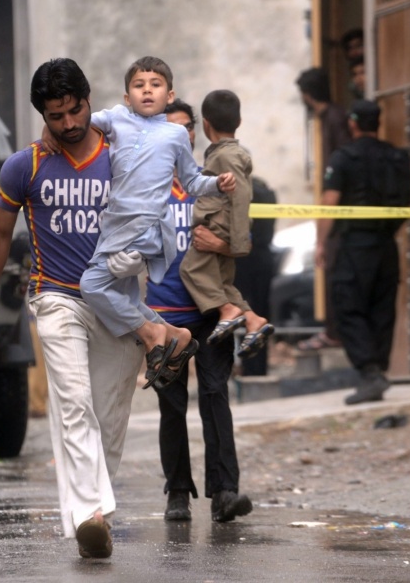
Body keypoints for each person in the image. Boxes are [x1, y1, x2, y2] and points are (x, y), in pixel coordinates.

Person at [0, 58, 145, 559]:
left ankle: (97, 516)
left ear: (90, 101)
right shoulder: (25, 165)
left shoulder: (123, 153)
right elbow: (1, 232)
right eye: (56, 115)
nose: (68, 124)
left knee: (109, 415)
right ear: (42, 115)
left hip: (119, 299)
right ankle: (88, 513)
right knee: (74, 404)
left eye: (75, 110)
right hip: (56, 296)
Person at [76, 56, 235, 387]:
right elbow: (79, 121)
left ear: (170, 95)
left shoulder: (176, 134)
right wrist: (51, 130)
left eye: (155, 85)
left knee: (91, 285)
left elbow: (192, 181)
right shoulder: (116, 118)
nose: (147, 90)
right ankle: (176, 335)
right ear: (126, 97)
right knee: (125, 296)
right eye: (138, 85)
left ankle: (151, 335)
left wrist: (217, 185)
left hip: (148, 228)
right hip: (115, 226)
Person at [145, 98, 253, 524]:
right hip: (164, 316)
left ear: (196, 131)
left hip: (210, 310)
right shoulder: (143, 186)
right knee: (172, 407)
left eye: (187, 127)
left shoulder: (214, 180)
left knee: (214, 395)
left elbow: (239, 237)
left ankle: (225, 492)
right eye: (171, 127)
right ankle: (176, 492)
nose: (181, 134)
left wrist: (222, 245)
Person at [316, 100, 410, 405]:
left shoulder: (344, 157)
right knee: (382, 308)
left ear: (354, 124)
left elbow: (329, 202)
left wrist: (321, 243)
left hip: (356, 245)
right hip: (387, 244)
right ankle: (377, 372)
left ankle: (371, 373)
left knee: (348, 307)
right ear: (378, 123)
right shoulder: (398, 157)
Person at [179, 90, 274, 358]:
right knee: (222, 283)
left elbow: (241, 195)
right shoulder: (224, 153)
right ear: (239, 120)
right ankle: (253, 320)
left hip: (217, 225)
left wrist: (238, 242)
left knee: (191, 269)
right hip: (222, 225)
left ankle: (227, 311)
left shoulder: (226, 156)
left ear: (205, 124)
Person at [295, 67, 352, 352]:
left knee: (331, 267)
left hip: (338, 208)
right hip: (337, 207)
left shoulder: (333, 119)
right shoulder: (331, 117)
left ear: (307, 95)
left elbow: (337, 170)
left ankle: (335, 331)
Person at [234, 175, 277, 376]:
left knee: (240, 313)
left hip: (241, 259)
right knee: (260, 314)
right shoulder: (264, 189)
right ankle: (259, 368)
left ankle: (246, 367)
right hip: (263, 257)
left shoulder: (235, 189)